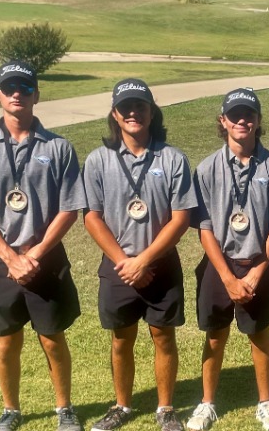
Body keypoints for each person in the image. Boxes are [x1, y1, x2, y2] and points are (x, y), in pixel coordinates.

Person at [0, 60, 85, 431]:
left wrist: (32, 254)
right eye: (10, 87)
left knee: (52, 338)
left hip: (45, 258)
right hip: (0, 260)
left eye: (25, 88)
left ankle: (64, 408)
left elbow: (69, 208)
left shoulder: (59, 148)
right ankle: (11, 410)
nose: (18, 94)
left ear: (36, 94)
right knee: (6, 339)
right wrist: (9, 257)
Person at [83, 79, 197, 431]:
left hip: (160, 266)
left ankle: (165, 409)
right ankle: (122, 406)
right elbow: (91, 216)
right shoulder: (98, 160)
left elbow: (182, 218)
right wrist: (126, 263)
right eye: (126, 108)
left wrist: (144, 260)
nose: (134, 113)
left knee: (163, 336)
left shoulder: (173, 158)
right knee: (121, 338)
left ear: (152, 112)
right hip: (118, 266)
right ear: (115, 115)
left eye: (140, 107)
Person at [189, 88, 269, 431]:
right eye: (235, 115)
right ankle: (207, 403)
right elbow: (204, 228)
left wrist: (255, 273)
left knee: (258, 334)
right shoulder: (207, 169)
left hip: (257, 263)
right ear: (223, 121)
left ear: (258, 121)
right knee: (215, 335)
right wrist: (227, 276)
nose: (242, 120)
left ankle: (266, 403)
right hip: (218, 265)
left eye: (249, 114)